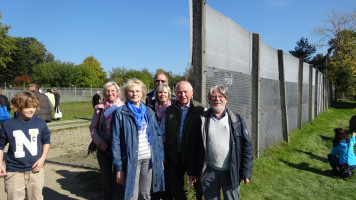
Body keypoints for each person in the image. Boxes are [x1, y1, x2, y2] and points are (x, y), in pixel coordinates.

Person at [188, 84, 253, 200]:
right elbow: (193, 148)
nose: (217, 99)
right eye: (213, 96)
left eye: (221, 96)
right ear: (209, 100)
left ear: (226, 99)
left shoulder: (236, 120)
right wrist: (192, 171)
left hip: (231, 172)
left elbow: (247, 146)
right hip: (209, 171)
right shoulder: (202, 120)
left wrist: (246, 172)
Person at [111, 78, 165, 200]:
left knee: (145, 194)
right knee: (131, 195)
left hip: (148, 159)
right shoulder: (120, 113)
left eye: (137, 91)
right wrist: (118, 168)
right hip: (131, 160)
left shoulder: (149, 112)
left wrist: (160, 158)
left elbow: (157, 136)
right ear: (126, 93)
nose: (134, 94)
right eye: (131, 91)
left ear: (142, 93)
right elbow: (115, 142)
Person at [0, 91, 51, 200]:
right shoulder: (8, 125)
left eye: (33, 106)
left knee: (36, 197)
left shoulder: (40, 123)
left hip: (35, 170)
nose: (31, 109)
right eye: (27, 107)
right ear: (18, 106)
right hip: (14, 171)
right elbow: (0, 146)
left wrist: (42, 158)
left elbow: (46, 141)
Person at [164, 81, 205, 200]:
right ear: (175, 93)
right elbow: (163, 131)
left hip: (194, 156)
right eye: (179, 92)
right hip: (174, 156)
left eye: (185, 92)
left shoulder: (200, 109)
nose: (183, 95)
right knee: (176, 188)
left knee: (200, 188)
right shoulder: (169, 110)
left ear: (192, 92)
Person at [89, 82, 124, 200]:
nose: (110, 93)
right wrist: (99, 142)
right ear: (104, 93)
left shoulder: (124, 107)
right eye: (108, 91)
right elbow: (93, 127)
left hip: (121, 148)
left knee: (121, 177)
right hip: (104, 147)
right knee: (107, 180)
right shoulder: (99, 108)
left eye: (113, 90)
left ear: (117, 92)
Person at [152, 84, 173, 200]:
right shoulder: (151, 107)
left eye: (165, 92)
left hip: (168, 146)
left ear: (169, 94)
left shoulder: (171, 108)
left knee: (167, 176)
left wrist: (163, 139)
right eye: (160, 92)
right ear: (156, 94)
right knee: (155, 174)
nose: (162, 94)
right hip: (154, 144)